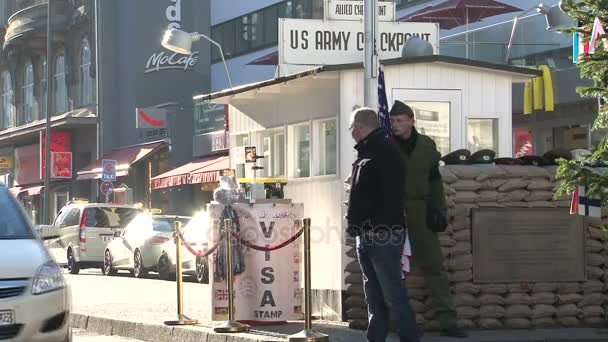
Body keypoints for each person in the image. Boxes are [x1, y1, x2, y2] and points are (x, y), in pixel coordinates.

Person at [389, 100, 468, 338]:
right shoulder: (387, 145)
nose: (395, 125)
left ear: (412, 121)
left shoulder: (426, 145)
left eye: (400, 120)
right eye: (392, 120)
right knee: (393, 269)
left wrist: (439, 209)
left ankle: (448, 321)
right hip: (393, 212)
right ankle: (397, 322)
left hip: (421, 209)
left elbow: (435, 180)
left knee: (434, 266)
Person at [346, 107, 419, 342]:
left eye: (351, 128)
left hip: (382, 235)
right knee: (374, 298)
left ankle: (409, 338)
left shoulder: (385, 152)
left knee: (393, 296)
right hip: (367, 235)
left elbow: (390, 195)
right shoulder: (367, 152)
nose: (351, 132)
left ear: (358, 127)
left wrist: (375, 226)